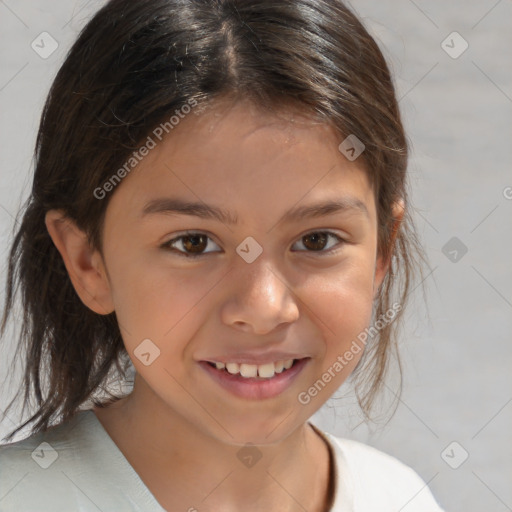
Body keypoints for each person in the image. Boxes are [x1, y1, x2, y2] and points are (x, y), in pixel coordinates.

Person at [0, 0, 444, 510]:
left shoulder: (397, 496)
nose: (263, 309)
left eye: (317, 240)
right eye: (193, 243)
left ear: (381, 251)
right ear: (88, 262)